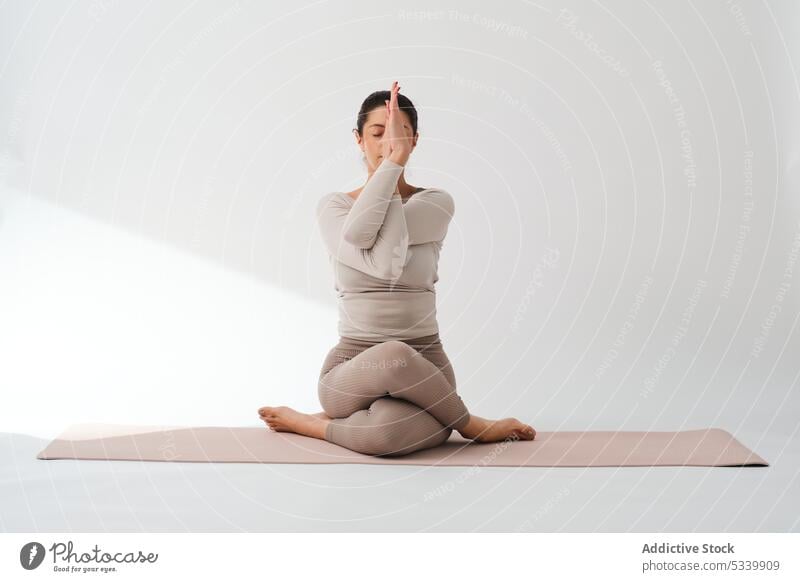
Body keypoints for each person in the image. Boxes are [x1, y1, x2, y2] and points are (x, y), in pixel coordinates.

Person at [258, 81, 535, 456]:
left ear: (414, 141)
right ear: (358, 139)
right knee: (396, 355)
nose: (388, 144)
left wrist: (389, 167)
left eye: (399, 136)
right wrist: (392, 165)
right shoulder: (333, 207)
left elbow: (379, 247)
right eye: (378, 134)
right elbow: (373, 248)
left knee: (388, 436)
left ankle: (317, 424)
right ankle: (471, 425)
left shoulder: (436, 202)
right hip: (350, 371)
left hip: (426, 365)